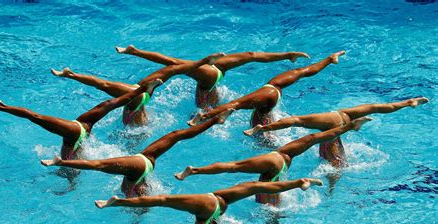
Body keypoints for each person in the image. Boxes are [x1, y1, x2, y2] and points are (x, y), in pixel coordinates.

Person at [175, 117, 371, 205]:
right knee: (312, 139)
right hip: (278, 161)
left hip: (278, 158)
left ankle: (196, 170)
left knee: (235, 168)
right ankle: (196, 170)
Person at [41, 110, 234, 197]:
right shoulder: (136, 189)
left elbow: (97, 165)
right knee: (176, 135)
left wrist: (62, 163)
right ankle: (215, 121)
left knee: (176, 136)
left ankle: (215, 121)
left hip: (142, 166)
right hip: (142, 164)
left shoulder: (136, 188)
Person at [94, 178, 324, 224]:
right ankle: (118, 202)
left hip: (216, 200)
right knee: (163, 200)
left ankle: (299, 182)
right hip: (211, 203)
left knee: (254, 185)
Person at [0, 79, 162, 160]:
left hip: (78, 131)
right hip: (80, 131)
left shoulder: (74, 138)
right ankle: (1, 107)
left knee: (112, 103)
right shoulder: (142, 102)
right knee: (113, 103)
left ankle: (1, 107)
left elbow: (35, 116)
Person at [187, 51, 346, 141]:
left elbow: (234, 104)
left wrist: (203, 116)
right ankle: (330, 59)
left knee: (262, 138)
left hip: (266, 99)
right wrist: (328, 60)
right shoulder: (275, 84)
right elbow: (305, 71)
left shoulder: (213, 71)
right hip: (273, 93)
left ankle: (203, 116)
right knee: (300, 73)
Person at [244, 97, 429, 167]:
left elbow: (294, 121)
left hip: (332, 126)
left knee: (333, 166)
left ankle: (331, 189)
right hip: (341, 117)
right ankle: (409, 102)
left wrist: (262, 127)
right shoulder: (344, 114)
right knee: (374, 107)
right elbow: (377, 106)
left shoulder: (322, 123)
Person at [51, 53, 225, 126]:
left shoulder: (134, 105)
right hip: (141, 98)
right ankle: (70, 75)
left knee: (172, 68)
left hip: (139, 98)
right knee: (172, 68)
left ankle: (70, 75)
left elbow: (101, 84)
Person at [115, 45, 310, 110]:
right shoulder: (214, 75)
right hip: (213, 79)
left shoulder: (210, 77)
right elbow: (254, 56)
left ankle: (135, 54)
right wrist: (286, 55)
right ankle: (135, 53)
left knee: (175, 65)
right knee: (176, 65)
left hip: (211, 80)